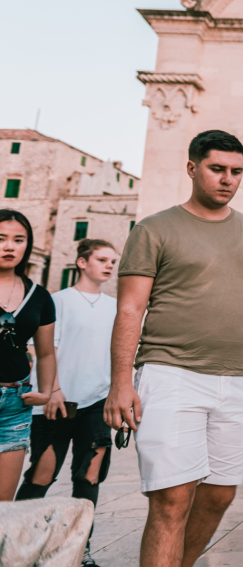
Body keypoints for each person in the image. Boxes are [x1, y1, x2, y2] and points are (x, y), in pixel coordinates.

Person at [104, 130, 243, 567]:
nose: (228, 180)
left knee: (219, 496)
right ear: (192, 168)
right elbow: (129, 308)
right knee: (172, 500)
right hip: (171, 375)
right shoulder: (153, 229)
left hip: (239, 381)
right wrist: (121, 382)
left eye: (237, 172)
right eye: (218, 169)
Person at [17, 238, 119, 567]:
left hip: (97, 404)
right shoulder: (57, 301)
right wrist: (54, 389)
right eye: (102, 259)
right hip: (57, 401)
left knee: (88, 478)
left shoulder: (116, 306)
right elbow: (49, 348)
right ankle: (17, 544)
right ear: (82, 262)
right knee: (42, 475)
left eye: (113, 262)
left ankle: (80, 550)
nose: (109, 266)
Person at [0, 209, 57, 502]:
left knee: (2, 506)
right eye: (1, 238)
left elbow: (45, 353)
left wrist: (46, 392)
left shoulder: (40, 296)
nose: (9, 246)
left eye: (18, 240)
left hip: (14, 405)